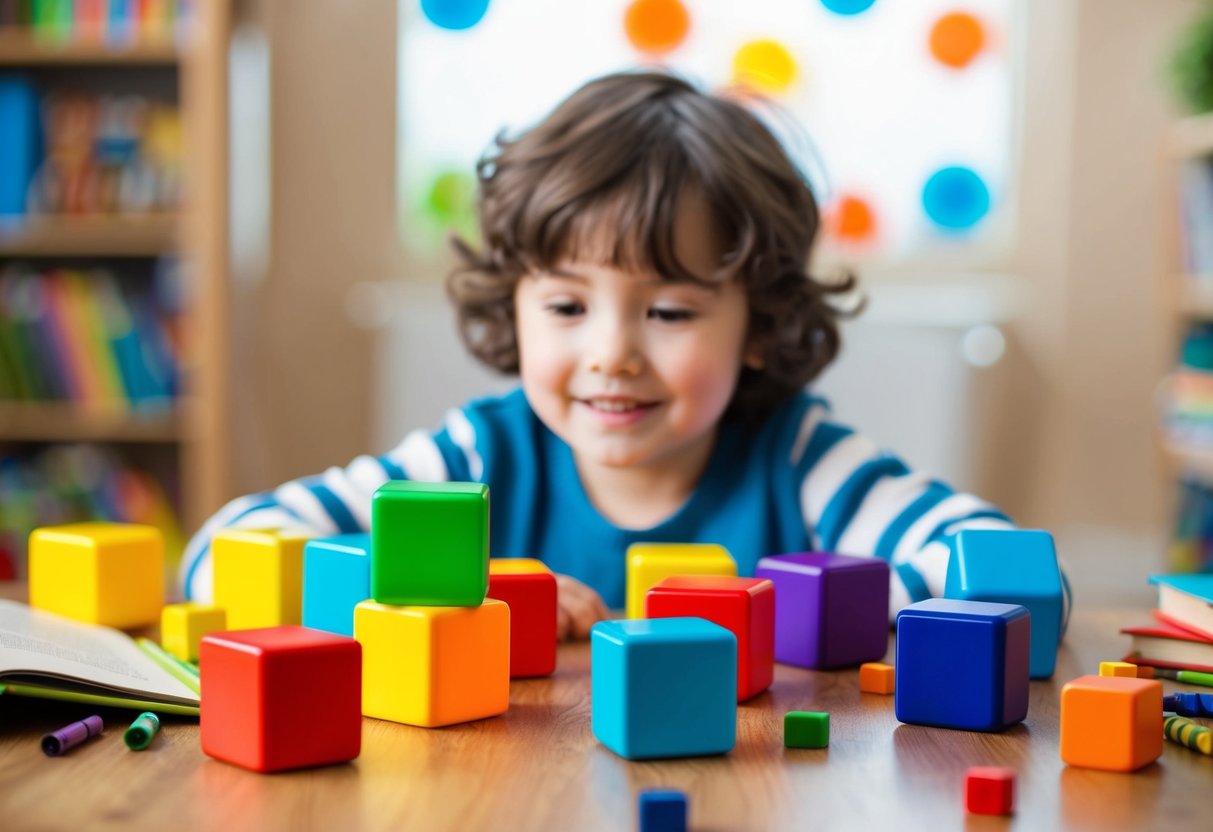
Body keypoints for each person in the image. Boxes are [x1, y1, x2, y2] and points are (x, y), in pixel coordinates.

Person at [180, 70, 1065, 640]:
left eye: (670, 310)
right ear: (515, 305)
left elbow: (1007, 569)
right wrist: (443, 581)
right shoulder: (477, 456)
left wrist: (763, 614)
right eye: (566, 304)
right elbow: (218, 551)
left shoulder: (799, 459)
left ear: (757, 324)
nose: (611, 353)